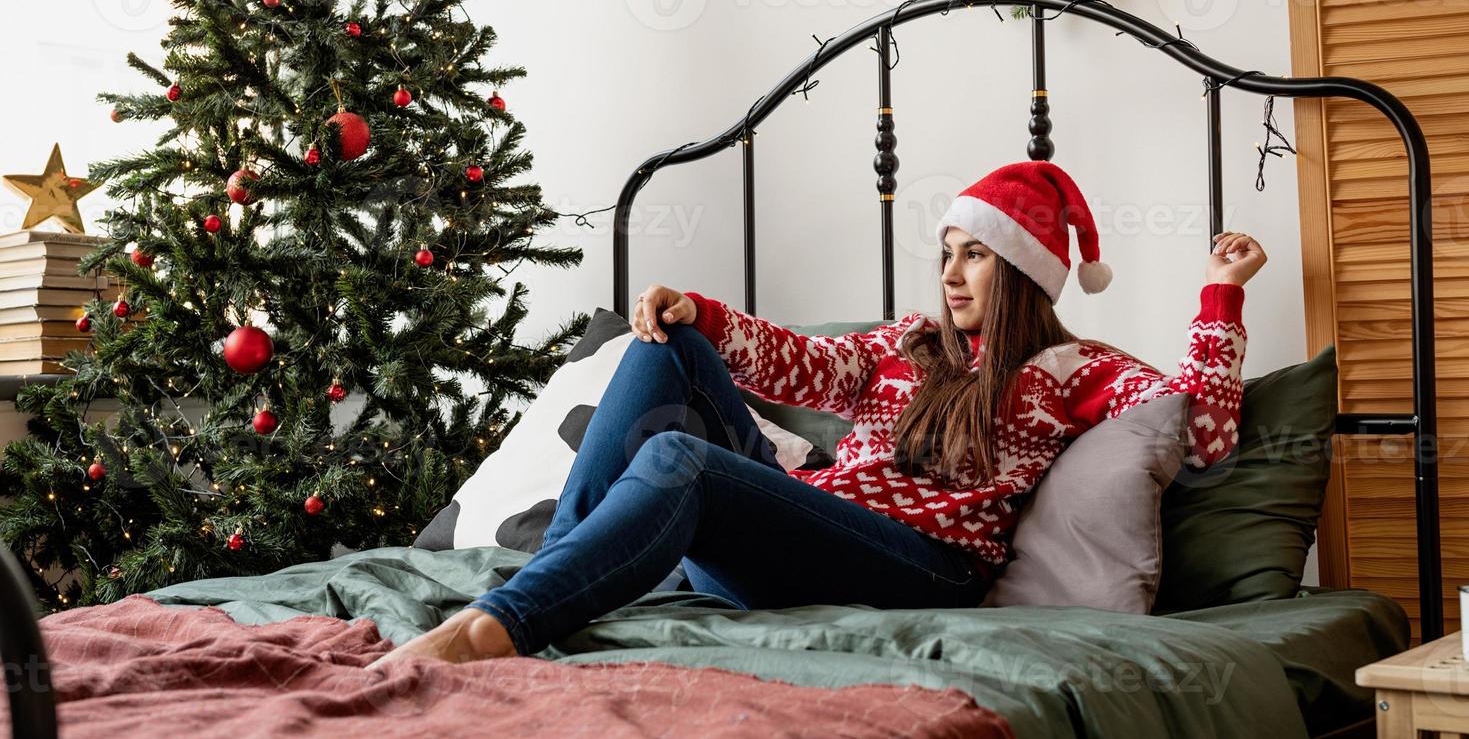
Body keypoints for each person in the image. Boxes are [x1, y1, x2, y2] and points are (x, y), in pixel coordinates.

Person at [372, 161, 1263, 665]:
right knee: (666, 350)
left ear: (1025, 269)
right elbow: (802, 364)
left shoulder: (1073, 369)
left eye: (976, 257)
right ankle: (543, 588)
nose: (949, 273)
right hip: (813, 531)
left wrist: (1219, 296)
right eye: (945, 252)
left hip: (922, 565)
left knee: (678, 460)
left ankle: (502, 624)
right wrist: (699, 314)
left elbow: (1209, 431)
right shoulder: (908, 341)